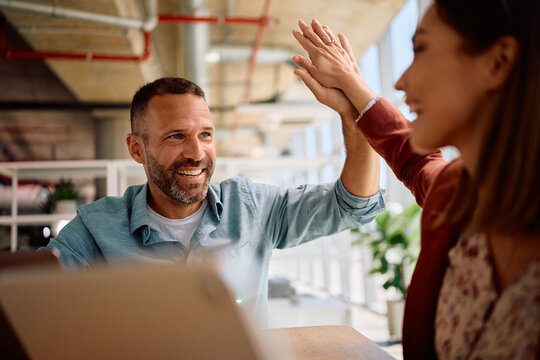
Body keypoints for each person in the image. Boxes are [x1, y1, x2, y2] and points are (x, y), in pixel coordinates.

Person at [291, 0, 540, 358]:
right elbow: (413, 160)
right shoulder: (461, 194)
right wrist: (352, 94)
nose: (401, 80)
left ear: (498, 61)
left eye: (421, 49)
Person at [45, 77, 384, 321]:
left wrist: (353, 112)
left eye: (205, 135)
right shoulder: (97, 228)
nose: (196, 153)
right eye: (176, 136)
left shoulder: (252, 207)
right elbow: (29, 301)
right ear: (137, 148)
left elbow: (352, 204)